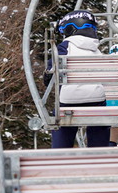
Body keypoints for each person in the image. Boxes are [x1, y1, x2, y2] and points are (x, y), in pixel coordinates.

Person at [47, 10, 111, 149]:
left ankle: (61, 152)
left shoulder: (64, 47)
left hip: (69, 101)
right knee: (100, 118)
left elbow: (52, 72)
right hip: (96, 100)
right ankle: (99, 152)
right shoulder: (96, 50)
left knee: (62, 118)